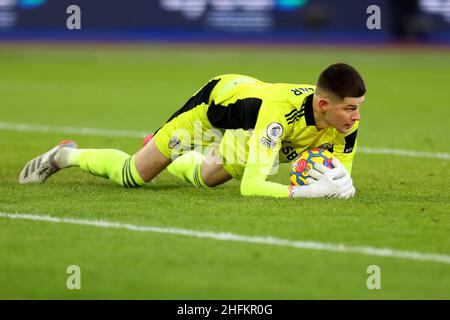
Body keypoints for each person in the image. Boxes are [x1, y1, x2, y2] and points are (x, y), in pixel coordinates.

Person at [19, 63, 366, 199]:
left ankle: (171, 154)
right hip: (214, 107)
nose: (356, 117)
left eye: (358, 108)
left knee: (207, 178)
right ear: (324, 105)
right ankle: (64, 154)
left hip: (249, 123)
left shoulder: (345, 124)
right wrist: (311, 193)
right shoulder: (277, 116)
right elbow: (252, 187)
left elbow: (341, 179)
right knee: (134, 175)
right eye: (350, 108)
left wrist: (338, 188)